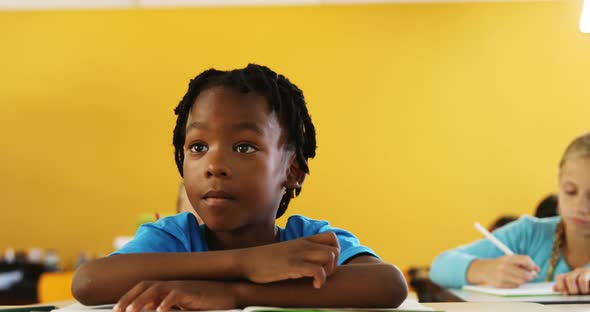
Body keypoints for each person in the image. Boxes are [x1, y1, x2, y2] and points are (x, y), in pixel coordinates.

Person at [71, 64, 408, 310]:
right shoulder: (174, 238)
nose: (213, 166)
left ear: (291, 171)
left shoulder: (307, 240)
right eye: (198, 147)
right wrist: (248, 264)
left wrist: (236, 294)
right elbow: (87, 283)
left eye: (244, 147)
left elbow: (388, 285)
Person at [429, 133, 590, 295]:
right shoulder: (530, 233)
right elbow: (440, 266)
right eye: (570, 191)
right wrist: (486, 269)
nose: (580, 206)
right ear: (559, 185)